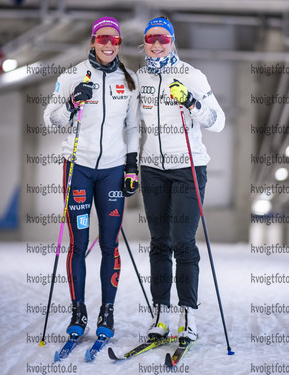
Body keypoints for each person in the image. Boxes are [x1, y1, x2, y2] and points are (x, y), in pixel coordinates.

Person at [44, 17, 140, 340]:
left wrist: (132, 166)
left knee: (111, 245)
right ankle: (78, 310)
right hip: (79, 169)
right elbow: (50, 120)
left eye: (115, 40)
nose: (109, 44)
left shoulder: (129, 81)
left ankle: (106, 312)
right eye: (103, 38)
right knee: (79, 243)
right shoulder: (72, 76)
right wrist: (73, 103)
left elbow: (132, 128)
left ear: (119, 45)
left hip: (113, 172)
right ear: (93, 40)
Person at [137, 17, 225, 342]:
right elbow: (133, 124)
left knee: (183, 241)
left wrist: (192, 102)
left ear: (172, 41)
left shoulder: (192, 75)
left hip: (189, 167)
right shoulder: (141, 77)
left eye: (163, 38)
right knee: (159, 242)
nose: (157, 44)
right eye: (151, 38)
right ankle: (160, 313)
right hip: (152, 169)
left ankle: (187, 315)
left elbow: (218, 121)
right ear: (145, 42)